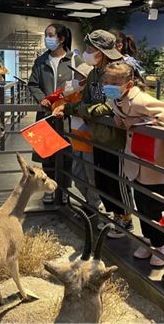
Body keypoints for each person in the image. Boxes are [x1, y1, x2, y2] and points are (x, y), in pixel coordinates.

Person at [53, 30, 130, 238]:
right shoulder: (95, 72)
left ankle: (125, 219)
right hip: (97, 134)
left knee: (116, 179)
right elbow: (87, 101)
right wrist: (71, 108)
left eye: (90, 49)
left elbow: (109, 105)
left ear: (102, 51)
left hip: (115, 137)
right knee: (103, 178)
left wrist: (83, 110)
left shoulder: (119, 70)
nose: (86, 52)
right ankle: (115, 215)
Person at [104, 60, 164, 266]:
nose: (108, 85)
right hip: (134, 160)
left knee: (153, 206)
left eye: (114, 81)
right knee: (141, 204)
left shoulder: (141, 100)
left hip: (152, 161)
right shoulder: (117, 100)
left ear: (128, 83)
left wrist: (138, 123)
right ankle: (148, 240)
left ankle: (160, 245)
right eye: (106, 81)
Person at [28, 23, 81, 204]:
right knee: (46, 156)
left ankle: (64, 189)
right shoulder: (40, 61)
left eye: (50, 35)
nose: (47, 38)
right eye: (46, 34)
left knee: (67, 156)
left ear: (61, 38)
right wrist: (42, 98)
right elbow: (33, 84)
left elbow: (81, 84)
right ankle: (48, 189)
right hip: (45, 116)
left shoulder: (74, 60)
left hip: (66, 117)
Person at [52, 60, 101, 215]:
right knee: (78, 175)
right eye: (75, 74)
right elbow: (61, 102)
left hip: (91, 143)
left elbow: (86, 110)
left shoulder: (92, 96)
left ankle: (94, 206)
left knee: (92, 177)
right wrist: (59, 105)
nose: (75, 77)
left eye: (79, 75)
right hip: (77, 141)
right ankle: (90, 203)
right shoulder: (74, 93)